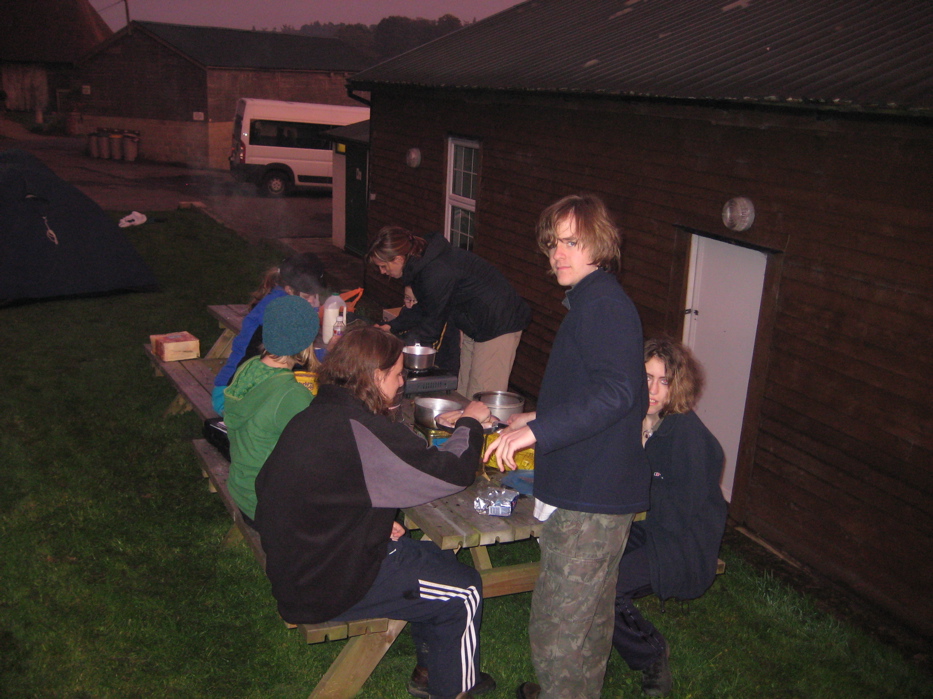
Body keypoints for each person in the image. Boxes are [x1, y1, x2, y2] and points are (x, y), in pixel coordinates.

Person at [253, 326, 497, 699]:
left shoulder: (317, 414)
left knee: (433, 558)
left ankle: (431, 671)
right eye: (398, 374)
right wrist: (471, 423)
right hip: (323, 585)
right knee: (463, 590)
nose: (401, 383)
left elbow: (297, 493)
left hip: (300, 564)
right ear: (375, 376)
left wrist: (371, 525)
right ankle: (458, 688)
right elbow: (452, 473)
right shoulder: (362, 429)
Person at [484, 194, 650, 699]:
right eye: (554, 243)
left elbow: (618, 392)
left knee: (557, 634)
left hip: (588, 501)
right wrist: (535, 416)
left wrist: (537, 433)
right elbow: (605, 390)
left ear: (599, 244)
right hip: (601, 494)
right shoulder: (595, 301)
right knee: (590, 626)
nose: (558, 253)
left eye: (572, 242)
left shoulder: (602, 306)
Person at [613, 338, 728, 697]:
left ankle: (651, 654)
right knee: (584, 562)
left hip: (680, 541)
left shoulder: (685, 435)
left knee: (606, 586)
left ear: (676, 386)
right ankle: (582, 654)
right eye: (646, 377)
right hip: (647, 525)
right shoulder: (635, 420)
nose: (652, 390)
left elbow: (679, 511)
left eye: (664, 381)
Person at [367, 226, 531, 399]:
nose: (382, 272)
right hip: (474, 323)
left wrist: (394, 348)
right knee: (463, 392)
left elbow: (431, 327)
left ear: (398, 259)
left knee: (483, 398)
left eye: (383, 266)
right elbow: (425, 307)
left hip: (498, 324)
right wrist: (390, 327)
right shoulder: (422, 265)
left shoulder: (436, 271)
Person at [222, 295, 319, 525]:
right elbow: (317, 449)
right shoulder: (291, 394)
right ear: (305, 342)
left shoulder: (249, 367)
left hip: (243, 489)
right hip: (268, 507)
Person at [212, 253, 326, 415]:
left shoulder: (282, 304)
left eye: (316, 297)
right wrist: (330, 352)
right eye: (308, 297)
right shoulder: (279, 316)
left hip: (242, 388)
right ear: (289, 290)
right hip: (232, 395)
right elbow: (298, 357)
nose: (314, 302)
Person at [389, 285, 461, 376]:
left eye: (416, 300)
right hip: (413, 364)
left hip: (440, 368)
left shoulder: (441, 317)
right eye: (407, 298)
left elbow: (430, 346)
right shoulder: (406, 310)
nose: (411, 305)